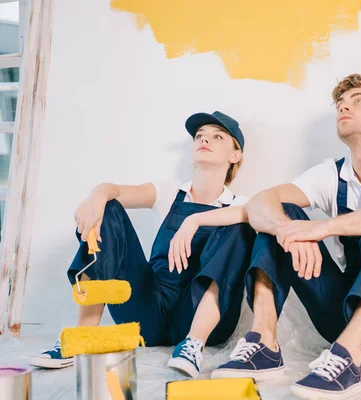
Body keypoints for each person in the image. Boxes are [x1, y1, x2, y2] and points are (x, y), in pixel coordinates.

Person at [211, 74, 361, 399]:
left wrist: (322, 228)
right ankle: (263, 343)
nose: (344, 106)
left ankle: (348, 361)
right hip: (344, 312)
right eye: (341, 103)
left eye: (358, 100)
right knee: (282, 214)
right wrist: (286, 229)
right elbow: (260, 201)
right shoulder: (331, 174)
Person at [28, 111, 256, 379]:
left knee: (241, 225)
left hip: (205, 320)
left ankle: (192, 344)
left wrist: (194, 220)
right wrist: (96, 197)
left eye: (217, 136)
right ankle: (81, 336)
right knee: (109, 209)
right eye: (199, 136)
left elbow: (252, 214)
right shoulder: (170, 192)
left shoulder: (240, 204)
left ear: (235, 155)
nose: (204, 140)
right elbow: (114, 190)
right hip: (148, 309)